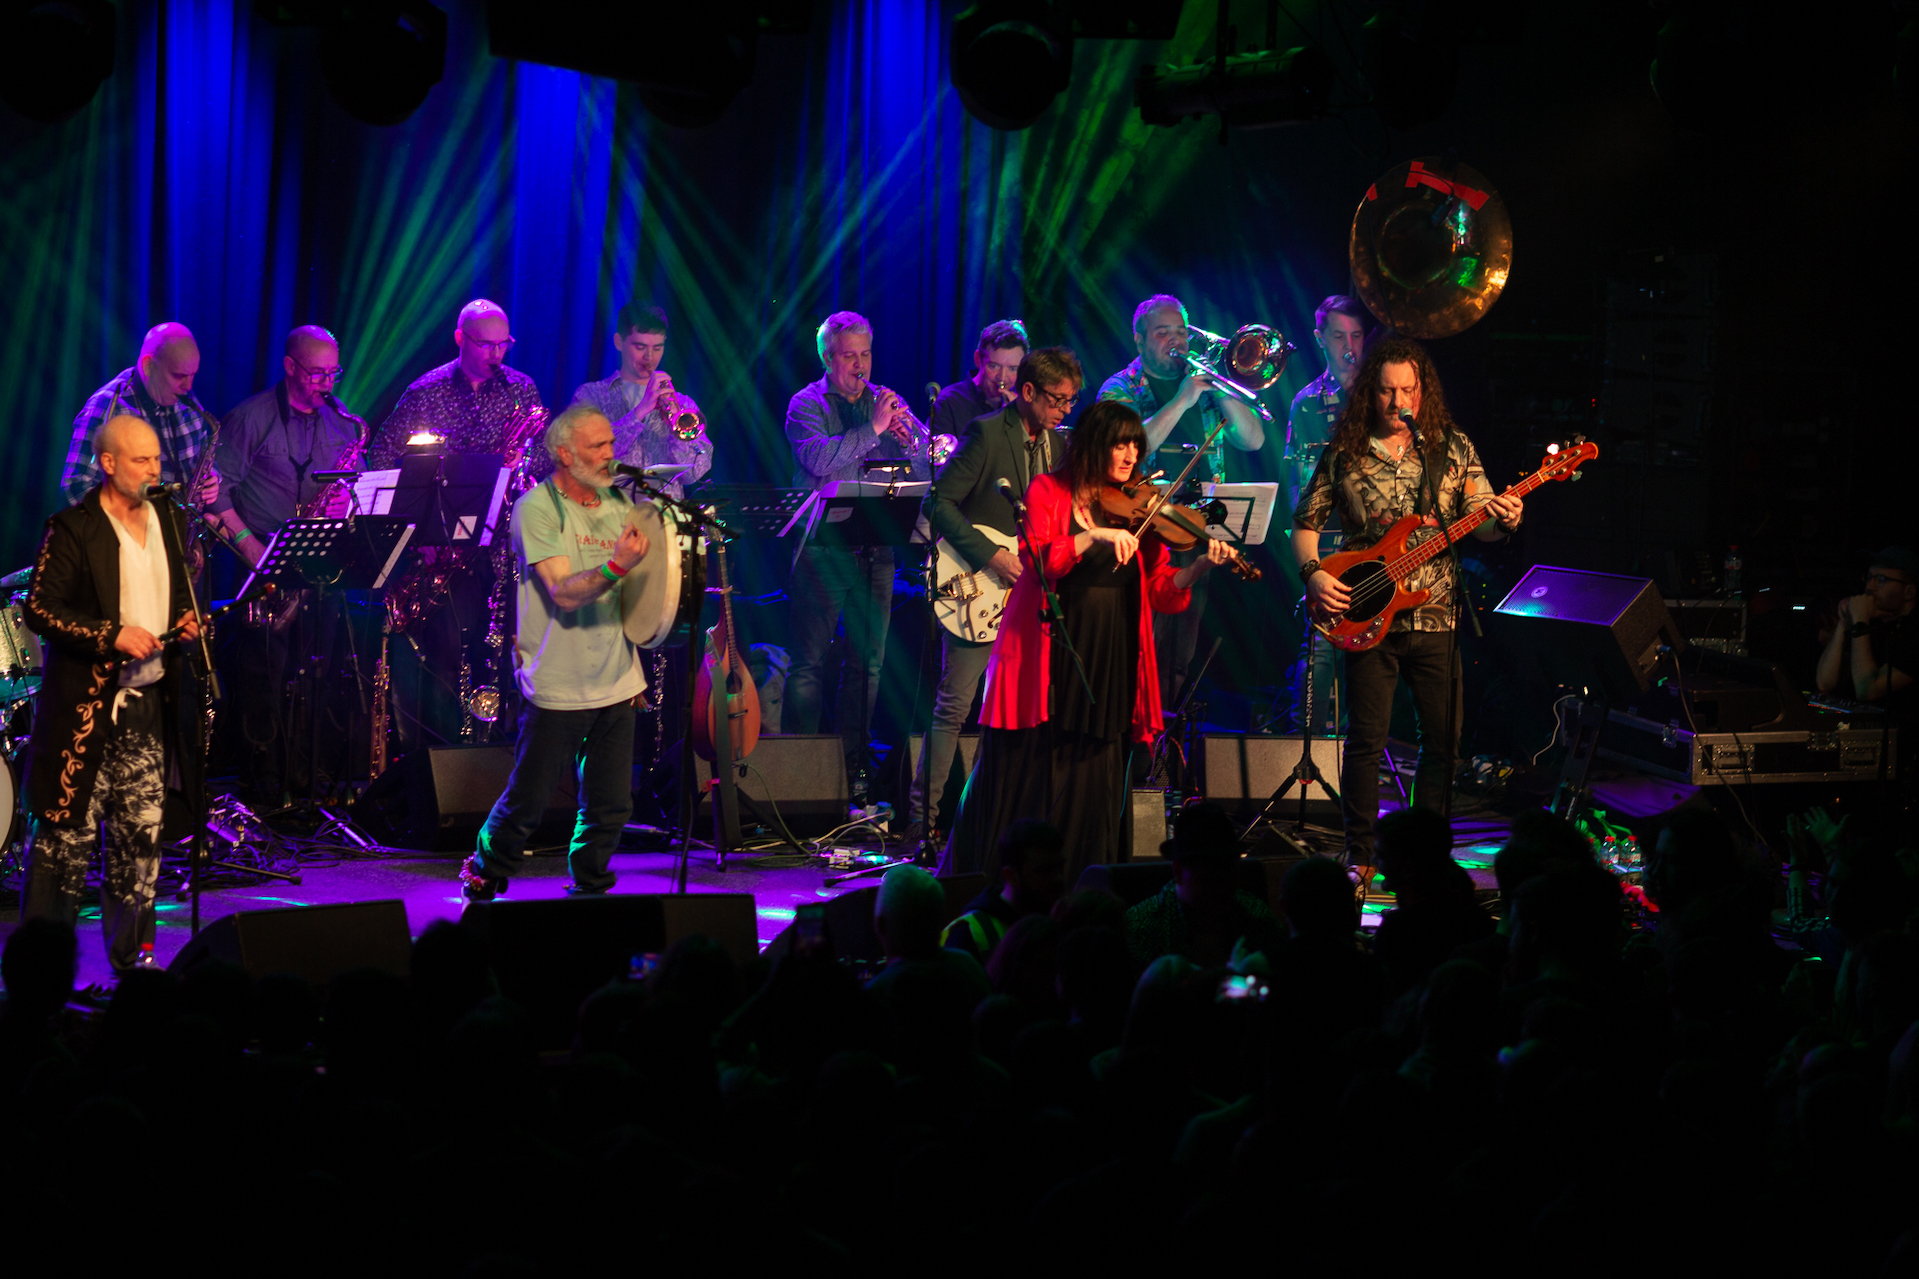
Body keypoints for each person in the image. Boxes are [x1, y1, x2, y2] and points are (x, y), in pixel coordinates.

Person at [945, 400, 1234, 881]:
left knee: (1094, 775)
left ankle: (1084, 875)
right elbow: (1037, 560)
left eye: (1134, 447)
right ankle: (1009, 878)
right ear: (1094, 445)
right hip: (1051, 647)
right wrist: (1090, 537)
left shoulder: (1141, 507)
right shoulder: (1048, 490)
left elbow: (1162, 592)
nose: (1128, 456)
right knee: (1032, 767)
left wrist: (1200, 567)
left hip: (1111, 653)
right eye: (1119, 444)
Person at [1293, 338, 1522, 868]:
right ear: (1370, 392)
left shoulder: (1452, 448)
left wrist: (1504, 518)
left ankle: (1427, 855)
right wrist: (1313, 575)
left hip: (1438, 615)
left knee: (1444, 744)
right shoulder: (1345, 451)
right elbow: (1305, 526)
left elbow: (1482, 523)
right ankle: (1362, 857)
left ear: (1423, 393)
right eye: (1387, 391)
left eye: (1408, 391)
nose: (1399, 402)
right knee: (1366, 742)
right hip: (1366, 614)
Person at [20, 416, 202, 974]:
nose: (155, 469)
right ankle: (41, 979)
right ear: (108, 464)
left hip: (146, 709)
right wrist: (110, 634)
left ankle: (135, 970)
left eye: (156, 459)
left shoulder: (169, 516)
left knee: (140, 850)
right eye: (142, 460)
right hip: (83, 714)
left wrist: (183, 620)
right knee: (62, 850)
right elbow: (40, 609)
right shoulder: (74, 527)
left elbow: (171, 590)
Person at [458, 405, 649, 901]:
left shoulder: (619, 503)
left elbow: (640, 591)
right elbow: (563, 592)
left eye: (611, 444)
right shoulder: (536, 508)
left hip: (616, 679)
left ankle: (591, 887)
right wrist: (616, 567)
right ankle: (485, 869)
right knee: (529, 800)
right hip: (559, 682)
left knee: (611, 804)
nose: (610, 454)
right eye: (597, 446)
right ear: (565, 454)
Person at [911, 345, 1078, 845]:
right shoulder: (986, 431)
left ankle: (984, 820)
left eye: (1070, 401)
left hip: (1027, 595)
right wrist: (991, 556)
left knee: (1013, 709)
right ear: (1027, 391)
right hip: (979, 585)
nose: (1064, 410)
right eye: (1056, 400)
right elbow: (937, 504)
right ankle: (924, 823)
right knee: (954, 707)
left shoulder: (1056, 444)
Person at [367, 299, 546, 753]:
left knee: (503, 656)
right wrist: (420, 532)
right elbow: (384, 462)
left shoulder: (521, 389)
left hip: (501, 547)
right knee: (445, 658)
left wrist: (520, 473)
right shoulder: (425, 393)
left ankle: (494, 757)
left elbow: (540, 459)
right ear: (460, 338)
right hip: (438, 552)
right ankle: (441, 762)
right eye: (486, 345)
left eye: (503, 344)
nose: (496, 355)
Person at [207, 325, 370, 804]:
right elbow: (217, 499)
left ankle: (304, 783)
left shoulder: (345, 426)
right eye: (316, 373)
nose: (326, 383)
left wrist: (348, 505)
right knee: (262, 678)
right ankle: (261, 786)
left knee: (317, 675)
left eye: (332, 374)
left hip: (318, 565)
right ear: (290, 367)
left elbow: (359, 489)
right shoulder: (249, 418)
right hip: (257, 560)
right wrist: (259, 557)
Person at [782, 310, 931, 783]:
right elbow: (820, 459)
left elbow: (926, 466)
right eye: (849, 356)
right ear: (828, 357)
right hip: (823, 548)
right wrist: (875, 429)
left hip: (876, 545)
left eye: (866, 354)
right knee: (810, 661)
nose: (860, 365)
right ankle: (803, 770)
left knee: (868, 661)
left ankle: (851, 768)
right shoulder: (804, 404)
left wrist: (911, 438)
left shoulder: (882, 402)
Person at [1098, 294, 1266, 712]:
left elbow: (1253, 439)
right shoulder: (1118, 387)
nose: (1175, 340)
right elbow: (1128, 449)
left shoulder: (1207, 387)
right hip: (1140, 532)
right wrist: (1181, 401)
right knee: (1137, 651)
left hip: (1197, 530)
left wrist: (1224, 389)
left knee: (1179, 656)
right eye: (1162, 332)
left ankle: (1159, 747)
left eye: (1181, 332)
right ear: (1139, 340)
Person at [1284, 296, 1367, 734]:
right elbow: (1299, 490)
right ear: (1320, 340)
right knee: (1318, 653)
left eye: (1356, 335)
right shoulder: (1305, 404)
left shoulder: (1381, 399)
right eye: (1339, 336)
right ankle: (1308, 753)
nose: (1349, 346)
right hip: (1328, 551)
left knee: (1370, 662)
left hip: (1377, 552)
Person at [62, 322, 222, 512]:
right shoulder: (107, 408)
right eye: (179, 376)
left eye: (193, 375)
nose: (188, 386)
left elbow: (204, 458)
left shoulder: (185, 399)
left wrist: (213, 476)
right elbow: (76, 489)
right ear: (148, 366)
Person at [561, 301, 712, 500]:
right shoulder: (591, 396)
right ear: (618, 342)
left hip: (664, 519)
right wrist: (639, 412)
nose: (649, 357)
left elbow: (696, 473)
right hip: (607, 519)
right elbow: (583, 457)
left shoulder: (683, 404)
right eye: (640, 346)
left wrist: (678, 432)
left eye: (658, 348)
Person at [1122, 802, 1285, 967]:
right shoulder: (1141, 929)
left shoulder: (1257, 919)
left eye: (1229, 874)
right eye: (1209, 879)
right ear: (1178, 872)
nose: (1221, 888)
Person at [940, 818, 1068, 963]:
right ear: (1011, 876)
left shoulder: (1061, 922)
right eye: (1045, 870)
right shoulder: (969, 935)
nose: (1058, 878)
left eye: (1060, 868)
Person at [1815, 545, 1915, 723]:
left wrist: (1860, 621)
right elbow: (1824, 683)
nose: (1869, 587)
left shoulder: (1911, 633)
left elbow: (1867, 690)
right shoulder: (1873, 626)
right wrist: (1844, 622)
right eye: (1869, 578)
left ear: (1909, 591)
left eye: (1881, 580)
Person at [928, 319, 1029, 441]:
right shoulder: (949, 402)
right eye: (994, 366)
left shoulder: (1024, 404)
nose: (1002, 377)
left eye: (1013, 369)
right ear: (977, 359)